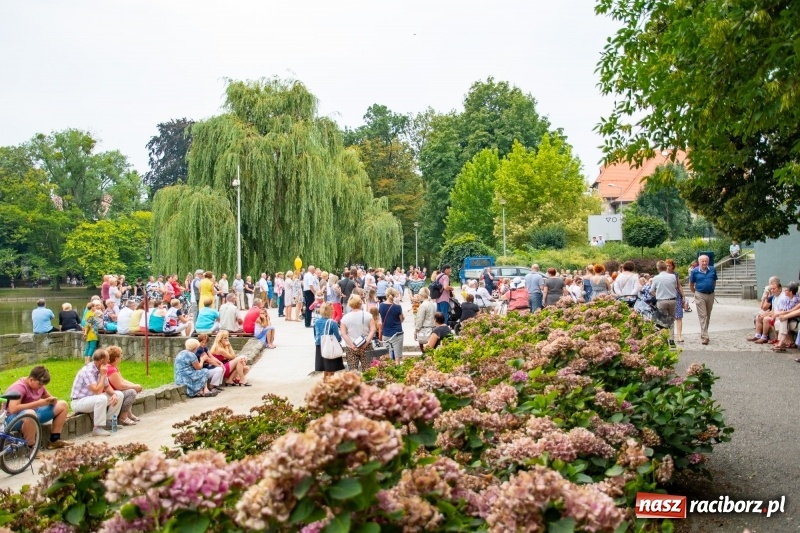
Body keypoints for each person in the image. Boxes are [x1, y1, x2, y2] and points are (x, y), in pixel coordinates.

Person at [4, 366, 74, 449]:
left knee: (63, 404)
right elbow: (13, 409)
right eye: (40, 384)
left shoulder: (39, 386)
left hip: (34, 413)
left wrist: (52, 400)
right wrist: (38, 403)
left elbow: (48, 397)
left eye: (43, 385)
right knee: (30, 414)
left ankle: (54, 440)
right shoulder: (19, 387)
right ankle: (31, 448)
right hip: (13, 419)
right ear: (31, 380)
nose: (41, 387)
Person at [70, 349, 125, 437]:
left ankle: (109, 422)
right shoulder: (87, 371)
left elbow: (107, 386)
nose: (108, 362)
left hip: (92, 399)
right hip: (79, 402)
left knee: (119, 394)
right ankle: (97, 428)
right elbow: (97, 391)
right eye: (107, 360)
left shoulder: (101, 368)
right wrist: (103, 375)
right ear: (102, 361)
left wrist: (114, 394)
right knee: (101, 398)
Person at [105, 346, 142, 426]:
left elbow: (122, 380)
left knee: (132, 390)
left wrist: (135, 385)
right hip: (111, 393)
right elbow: (120, 386)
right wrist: (134, 387)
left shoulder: (114, 367)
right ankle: (123, 417)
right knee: (131, 393)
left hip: (115, 391)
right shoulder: (110, 369)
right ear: (115, 358)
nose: (121, 357)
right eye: (120, 355)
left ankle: (129, 413)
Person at [340, 295, 377, 373]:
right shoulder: (368, 315)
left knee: (353, 371)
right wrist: (366, 342)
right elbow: (373, 330)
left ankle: (354, 385)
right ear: (360, 303)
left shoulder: (345, 318)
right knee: (368, 370)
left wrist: (352, 345)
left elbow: (343, 334)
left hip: (351, 346)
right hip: (366, 345)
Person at [689, 254, 717, 345]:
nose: (704, 263)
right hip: (700, 294)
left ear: (708, 262)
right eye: (702, 261)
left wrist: (712, 289)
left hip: (710, 294)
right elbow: (691, 285)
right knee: (703, 316)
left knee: (708, 315)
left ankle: (704, 332)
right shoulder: (694, 271)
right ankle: (705, 336)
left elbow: (714, 281)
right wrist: (696, 293)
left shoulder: (712, 269)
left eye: (706, 261)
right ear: (699, 262)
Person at [312, 302, 345, 379]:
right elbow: (337, 337)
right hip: (329, 346)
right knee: (330, 368)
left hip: (319, 345)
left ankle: (324, 383)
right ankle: (329, 385)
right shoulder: (333, 322)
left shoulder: (316, 321)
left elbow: (315, 334)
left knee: (324, 368)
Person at [650, 261, 678, 345]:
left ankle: (664, 340)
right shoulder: (673, 276)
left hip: (661, 300)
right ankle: (671, 340)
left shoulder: (656, 278)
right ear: (666, 268)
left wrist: (657, 295)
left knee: (662, 321)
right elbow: (675, 286)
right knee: (671, 320)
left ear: (658, 268)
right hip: (672, 300)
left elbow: (651, 290)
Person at [665, 259, 690, 342]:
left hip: (676, 296)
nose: (668, 267)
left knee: (679, 316)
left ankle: (679, 335)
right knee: (670, 317)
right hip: (667, 296)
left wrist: (683, 295)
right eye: (667, 265)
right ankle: (670, 335)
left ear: (673, 266)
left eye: (670, 265)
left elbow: (679, 285)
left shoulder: (675, 274)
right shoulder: (663, 275)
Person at [379, 288, 405, 361]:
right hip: (397, 333)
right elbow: (401, 319)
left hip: (386, 333)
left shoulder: (381, 306)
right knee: (397, 356)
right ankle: (398, 369)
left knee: (387, 355)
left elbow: (381, 319)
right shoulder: (397, 307)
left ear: (386, 295)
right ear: (394, 296)